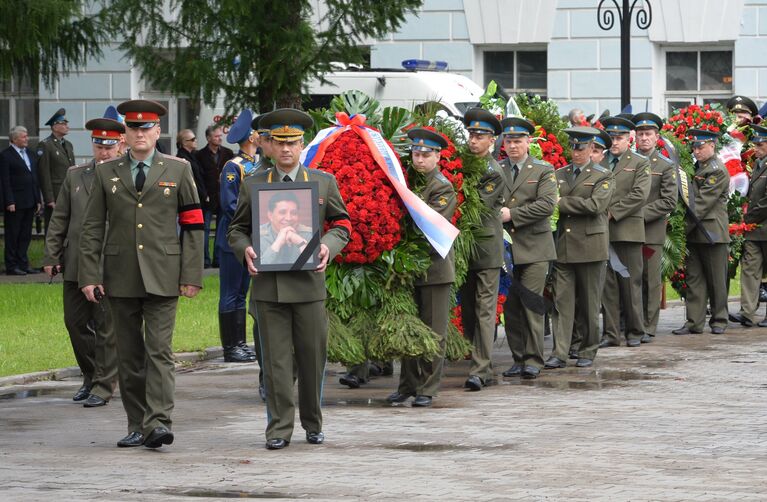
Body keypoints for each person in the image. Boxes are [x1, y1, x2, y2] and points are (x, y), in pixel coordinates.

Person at [79, 99, 204, 449]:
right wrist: (90, 275)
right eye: (133, 128)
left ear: (158, 131)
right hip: (120, 276)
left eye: (146, 127)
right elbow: (90, 228)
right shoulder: (106, 173)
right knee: (129, 355)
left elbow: (193, 224)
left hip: (164, 274)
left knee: (159, 351)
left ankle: (159, 422)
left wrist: (191, 273)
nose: (140, 133)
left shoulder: (179, 170)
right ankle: (137, 424)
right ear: (125, 134)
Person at [228, 108, 351, 450]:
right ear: (267, 144)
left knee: (312, 358)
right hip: (269, 289)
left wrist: (327, 247)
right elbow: (236, 229)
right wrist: (246, 250)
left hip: (309, 287)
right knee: (276, 362)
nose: (285, 150)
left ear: (302, 144)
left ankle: (313, 423)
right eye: (279, 143)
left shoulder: (322, 182)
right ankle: (279, 429)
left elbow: (342, 224)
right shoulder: (254, 184)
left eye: (293, 143)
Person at [42, 112, 122, 407]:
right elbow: (60, 217)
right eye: (99, 146)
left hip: (110, 263)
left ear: (120, 146)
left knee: (106, 326)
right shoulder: (76, 175)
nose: (103, 152)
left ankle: (104, 383)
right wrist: (51, 253)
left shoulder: (125, 176)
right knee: (75, 323)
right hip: (76, 262)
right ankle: (90, 375)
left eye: (109, 147)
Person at [387, 127, 456, 407]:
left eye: (426, 154)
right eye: (416, 153)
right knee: (410, 328)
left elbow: (431, 226)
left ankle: (427, 387)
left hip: (433, 269)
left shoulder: (442, 187)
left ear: (438, 156)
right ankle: (407, 385)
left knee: (433, 331)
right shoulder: (409, 182)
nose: (420, 159)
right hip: (408, 269)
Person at [546, 127, 614, 369]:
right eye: (573, 147)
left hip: (590, 246)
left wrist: (561, 203)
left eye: (581, 148)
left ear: (591, 148)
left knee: (589, 303)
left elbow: (595, 205)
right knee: (562, 303)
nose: (576, 152)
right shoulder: (559, 173)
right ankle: (560, 352)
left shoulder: (602, 175)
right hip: (564, 246)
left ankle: (588, 349)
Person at [497, 117, 557, 380]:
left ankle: (534, 359)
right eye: (509, 141)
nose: (513, 146)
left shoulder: (543, 170)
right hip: (507, 251)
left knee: (531, 304)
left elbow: (546, 205)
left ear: (528, 142)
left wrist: (513, 214)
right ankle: (518, 358)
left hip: (534, 248)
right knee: (511, 307)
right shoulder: (497, 169)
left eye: (518, 141)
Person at [456, 108, 505, 390]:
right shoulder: (461, 164)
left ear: (492, 140)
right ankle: (476, 359)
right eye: (471, 134)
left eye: (480, 136)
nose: (473, 140)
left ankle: (481, 368)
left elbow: (475, 206)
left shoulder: (493, 172)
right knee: (468, 310)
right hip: (463, 247)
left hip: (485, 247)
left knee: (485, 309)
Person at [597, 116, 650, 349]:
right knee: (607, 285)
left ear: (629, 139)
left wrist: (611, 212)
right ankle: (610, 332)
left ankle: (635, 330)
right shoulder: (600, 161)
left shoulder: (639, 162)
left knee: (630, 284)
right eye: (611, 137)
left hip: (627, 230)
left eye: (618, 138)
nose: (614, 142)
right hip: (601, 232)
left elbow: (639, 195)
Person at [672, 129, 730, 335]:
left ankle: (720, 319)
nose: (696, 151)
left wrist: (680, 230)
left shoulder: (717, 170)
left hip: (712, 233)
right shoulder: (698, 167)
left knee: (716, 280)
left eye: (700, 147)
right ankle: (694, 322)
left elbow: (702, 204)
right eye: (694, 147)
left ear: (712, 145)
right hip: (696, 233)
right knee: (694, 279)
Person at [216, 109, 259, 365]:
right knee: (230, 291)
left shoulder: (257, 164)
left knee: (242, 291)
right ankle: (230, 347)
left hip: (250, 237)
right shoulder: (234, 166)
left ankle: (240, 343)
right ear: (251, 136)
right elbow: (230, 204)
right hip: (233, 238)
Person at [632, 113, 678, 341]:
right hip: (628, 233)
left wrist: (637, 215)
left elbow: (669, 200)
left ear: (656, 136)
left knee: (650, 281)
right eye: (640, 134)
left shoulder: (664, 165)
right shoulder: (628, 162)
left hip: (650, 233)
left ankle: (649, 326)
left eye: (648, 134)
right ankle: (634, 323)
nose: (643, 138)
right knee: (631, 279)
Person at [732, 125, 767, 327]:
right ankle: (747, 312)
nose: (756, 148)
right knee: (749, 269)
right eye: (755, 144)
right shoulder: (757, 164)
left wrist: (748, 219)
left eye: (760, 144)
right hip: (754, 230)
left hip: (760, 224)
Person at [1, 126, 41, 275]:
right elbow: (5, 181)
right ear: (14, 139)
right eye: (24, 136)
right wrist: (9, 201)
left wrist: (38, 199)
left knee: (25, 235)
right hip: (15, 203)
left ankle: (23, 264)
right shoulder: (6, 156)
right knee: (13, 235)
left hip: (30, 201)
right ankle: (11, 266)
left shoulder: (30, 154)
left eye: (26, 136)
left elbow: (34, 179)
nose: (27, 139)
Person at [196, 124, 234, 268]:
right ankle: (205, 260)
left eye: (220, 136)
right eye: (216, 136)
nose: (219, 138)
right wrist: (203, 194)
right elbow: (198, 176)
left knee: (221, 229)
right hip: (207, 196)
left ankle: (218, 259)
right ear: (208, 138)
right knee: (205, 229)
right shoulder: (199, 155)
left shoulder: (228, 153)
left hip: (223, 196)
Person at [36, 108, 76, 234]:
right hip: (55, 193)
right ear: (54, 127)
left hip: (69, 192)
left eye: (66, 123)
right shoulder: (45, 145)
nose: (67, 126)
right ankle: (50, 253)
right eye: (63, 124)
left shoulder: (68, 144)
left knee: (68, 227)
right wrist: (49, 199)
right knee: (54, 227)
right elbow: (44, 173)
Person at [259, 192, 313, 265]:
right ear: (270, 215)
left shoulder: (308, 234)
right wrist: (277, 244)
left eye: (293, 213)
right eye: (282, 212)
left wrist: (301, 243)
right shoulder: (259, 235)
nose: (288, 218)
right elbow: (256, 268)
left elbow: (313, 267)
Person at [176, 129, 208, 211]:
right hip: (192, 199)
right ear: (184, 142)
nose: (196, 140)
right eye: (193, 139)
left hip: (199, 197)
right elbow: (190, 180)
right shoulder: (182, 158)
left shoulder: (193, 155)